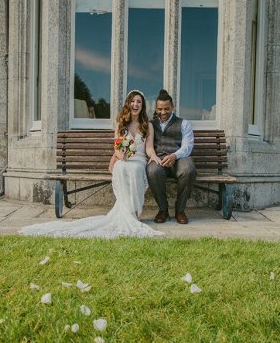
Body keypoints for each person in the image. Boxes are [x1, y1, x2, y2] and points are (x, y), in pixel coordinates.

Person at [19, 90, 163, 238]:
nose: (135, 104)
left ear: (142, 105)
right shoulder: (121, 123)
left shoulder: (147, 125)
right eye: (133, 101)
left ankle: (135, 212)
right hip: (124, 158)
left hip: (138, 159)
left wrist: (154, 157)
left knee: (136, 169)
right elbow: (118, 147)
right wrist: (121, 155)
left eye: (139, 102)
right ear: (128, 104)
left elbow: (149, 148)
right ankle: (126, 211)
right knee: (121, 167)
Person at [146, 89, 196, 224]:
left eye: (166, 109)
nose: (163, 112)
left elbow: (187, 147)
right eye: (159, 109)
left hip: (179, 158)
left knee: (188, 169)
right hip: (159, 159)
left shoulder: (184, 123)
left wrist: (174, 156)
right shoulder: (150, 124)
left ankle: (180, 210)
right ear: (156, 108)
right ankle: (163, 209)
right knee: (152, 170)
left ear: (172, 107)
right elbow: (148, 145)